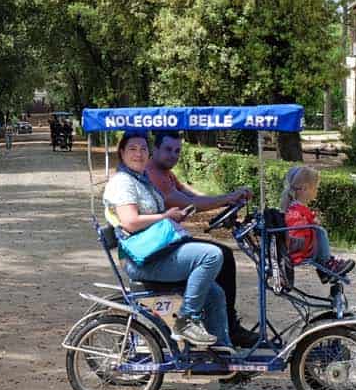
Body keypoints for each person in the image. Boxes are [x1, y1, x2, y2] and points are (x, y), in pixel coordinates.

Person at [103, 130, 231, 351]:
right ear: (122, 152)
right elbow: (130, 221)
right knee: (211, 255)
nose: (139, 153)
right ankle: (186, 320)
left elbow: (181, 201)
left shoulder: (141, 179)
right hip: (144, 260)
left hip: (158, 250)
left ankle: (223, 356)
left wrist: (174, 215)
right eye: (132, 149)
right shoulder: (122, 182)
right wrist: (165, 216)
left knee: (214, 292)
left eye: (143, 149)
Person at [146, 130, 260, 348]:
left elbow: (194, 195)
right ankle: (211, 324)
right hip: (160, 249)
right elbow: (188, 204)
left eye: (178, 150)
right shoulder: (153, 176)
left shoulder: (167, 174)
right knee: (220, 255)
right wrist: (227, 198)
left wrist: (229, 199)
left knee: (223, 256)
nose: (173, 155)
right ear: (155, 149)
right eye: (168, 149)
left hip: (169, 241)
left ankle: (223, 327)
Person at [280, 166, 355, 275]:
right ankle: (327, 264)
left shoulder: (292, 207)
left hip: (296, 247)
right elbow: (298, 230)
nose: (317, 191)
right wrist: (313, 223)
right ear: (305, 189)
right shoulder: (296, 210)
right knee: (320, 231)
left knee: (318, 230)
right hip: (298, 250)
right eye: (315, 188)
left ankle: (326, 264)